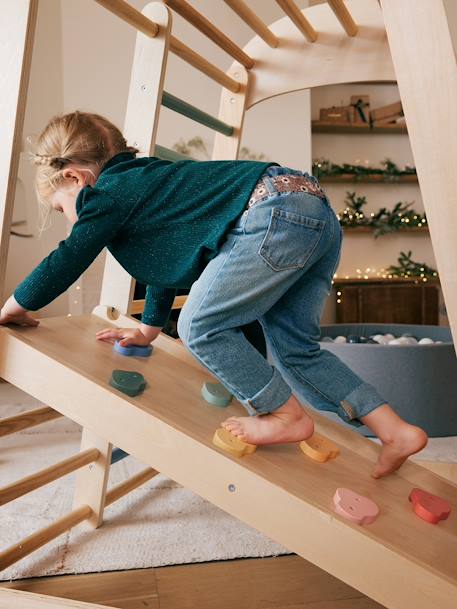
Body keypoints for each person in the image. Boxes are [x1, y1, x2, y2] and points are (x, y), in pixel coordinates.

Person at [0, 111, 428, 478]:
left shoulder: (106, 193)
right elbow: (167, 262)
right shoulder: (148, 184)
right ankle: (394, 430)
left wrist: (12, 307)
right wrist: (148, 330)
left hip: (273, 212)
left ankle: (284, 415)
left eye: (61, 208)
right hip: (311, 209)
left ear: (76, 177)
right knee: (298, 350)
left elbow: (69, 257)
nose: (69, 219)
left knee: (199, 326)